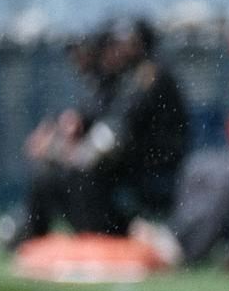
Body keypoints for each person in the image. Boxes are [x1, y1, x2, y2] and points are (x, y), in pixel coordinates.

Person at [13, 19, 189, 243]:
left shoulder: (150, 75)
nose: (117, 51)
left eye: (124, 44)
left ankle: (109, 234)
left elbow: (110, 137)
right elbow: (87, 117)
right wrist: (60, 138)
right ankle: (40, 231)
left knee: (83, 173)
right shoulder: (116, 79)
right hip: (126, 168)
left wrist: (60, 150)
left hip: (154, 173)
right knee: (51, 175)